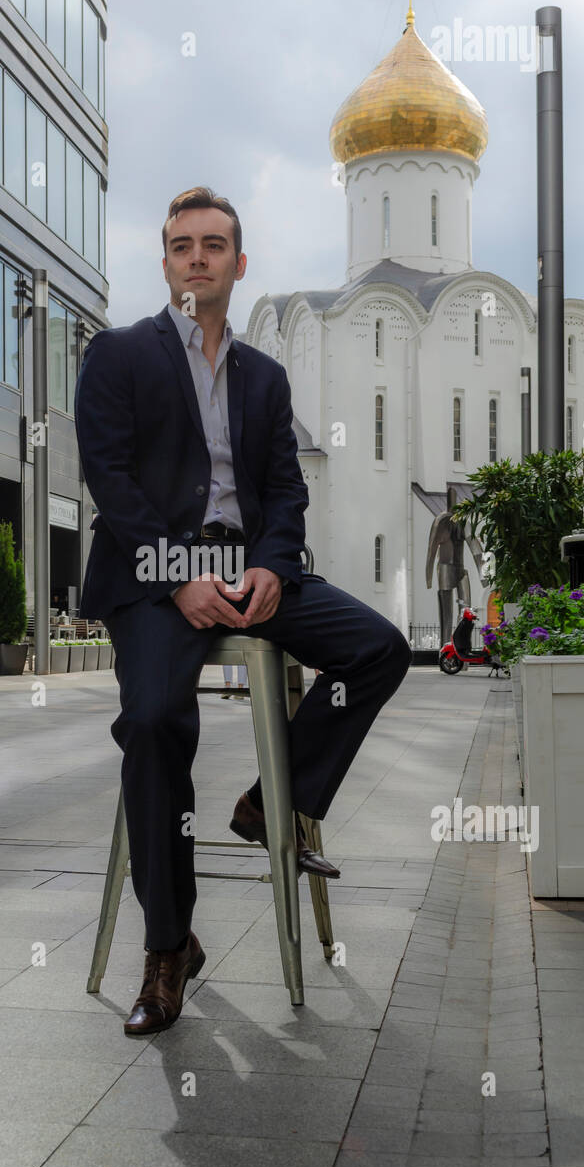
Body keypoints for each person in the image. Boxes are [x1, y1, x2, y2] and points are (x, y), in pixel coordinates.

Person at [74, 186, 411, 1037]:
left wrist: (268, 565)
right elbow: (109, 480)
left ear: (237, 263)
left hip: (249, 566)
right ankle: (166, 949)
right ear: (164, 262)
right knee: (153, 721)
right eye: (181, 244)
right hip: (156, 573)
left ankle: (274, 800)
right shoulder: (117, 355)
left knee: (379, 649)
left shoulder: (264, 376)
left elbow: (287, 489)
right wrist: (177, 570)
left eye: (213, 244)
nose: (197, 256)